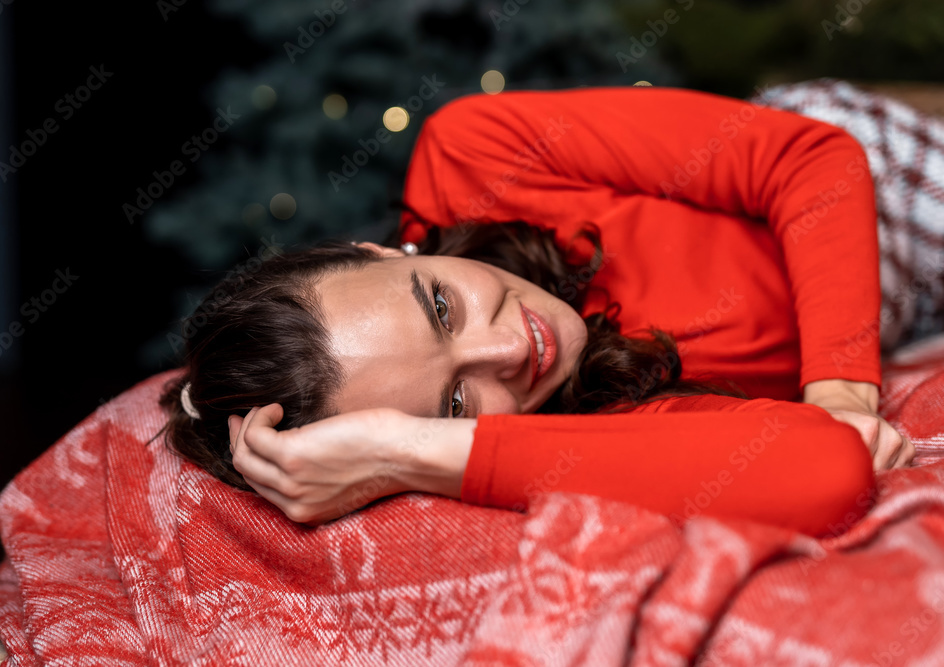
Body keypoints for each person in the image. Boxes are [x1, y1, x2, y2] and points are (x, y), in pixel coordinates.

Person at [158, 84, 927, 538]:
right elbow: (825, 467)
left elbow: (810, 162)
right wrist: (410, 450)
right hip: (898, 315)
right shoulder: (556, 430)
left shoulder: (474, 151)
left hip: (861, 195)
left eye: (442, 306)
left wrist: (840, 390)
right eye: (454, 402)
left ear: (384, 251)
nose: (507, 352)